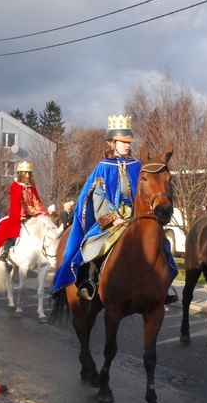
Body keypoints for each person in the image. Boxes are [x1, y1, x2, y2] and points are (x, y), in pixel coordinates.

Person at [51, 114, 178, 303]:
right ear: (112, 142)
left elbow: (147, 190)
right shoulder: (103, 167)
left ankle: (162, 285)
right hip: (112, 218)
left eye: (129, 141)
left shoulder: (138, 166)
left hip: (136, 216)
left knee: (162, 245)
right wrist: (112, 217)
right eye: (123, 141)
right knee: (94, 247)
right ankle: (90, 283)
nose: (127, 145)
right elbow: (98, 195)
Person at [0, 161, 47, 262]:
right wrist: (22, 215)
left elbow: (36, 200)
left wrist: (41, 213)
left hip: (32, 213)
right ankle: (6, 250)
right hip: (18, 213)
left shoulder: (32, 187)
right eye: (25, 173)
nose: (27, 175)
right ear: (21, 174)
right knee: (12, 228)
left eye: (29, 173)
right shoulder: (15, 185)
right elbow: (17, 201)